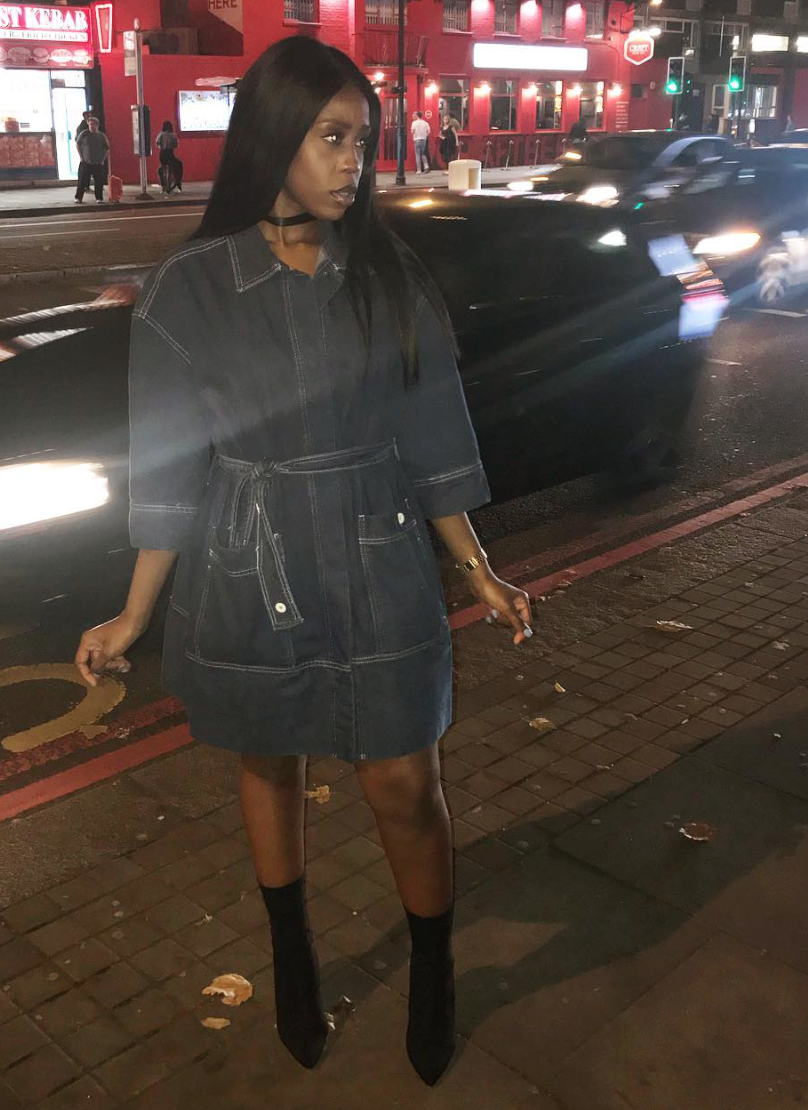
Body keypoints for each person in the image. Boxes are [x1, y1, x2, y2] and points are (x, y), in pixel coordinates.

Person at [74, 35, 530, 1086]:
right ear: (273, 136)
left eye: (362, 142)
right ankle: (292, 960)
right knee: (268, 759)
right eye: (331, 138)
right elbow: (168, 463)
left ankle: (431, 971)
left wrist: (478, 569)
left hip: (377, 546)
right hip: (250, 555)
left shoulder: (386, 274)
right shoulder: (189, 288)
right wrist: (135, 612)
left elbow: (433, 436)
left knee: (405, 778)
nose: (352, 164)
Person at [75, 117, 109, 203]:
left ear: (97, 125)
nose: (91, 126)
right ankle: (78, 198)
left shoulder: (101, 136)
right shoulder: (84, 134)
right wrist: (81, 157)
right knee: (82, 181)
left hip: (98, 163)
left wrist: (103, 159)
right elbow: (78, 144)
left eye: (93, 124)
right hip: (86, 162)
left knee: (99, 182)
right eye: (90, 124)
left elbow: (107, 149)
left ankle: (99, 198)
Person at [155, 120, 183, 193]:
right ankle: (178, 183)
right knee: (179, 164)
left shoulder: (160, 134)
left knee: (161, 168)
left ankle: (163, 185)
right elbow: (175, 145)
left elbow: (157, 143)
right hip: (170, 154)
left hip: (162, 155)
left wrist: (162, 146)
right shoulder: (173, 135)